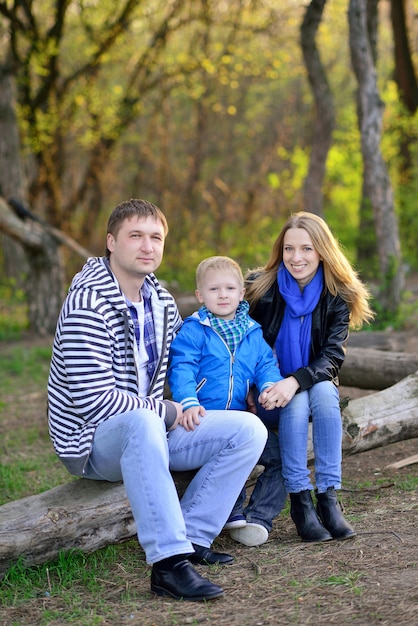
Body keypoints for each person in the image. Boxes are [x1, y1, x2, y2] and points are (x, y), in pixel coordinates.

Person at [47, 199, 267, 602]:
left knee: (248, 429)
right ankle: (167, 566)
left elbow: (189, 363)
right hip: (92, 441)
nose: (147, 246)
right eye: (136, 236)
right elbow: (94, 401)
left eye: (156, 237)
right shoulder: (87, 304)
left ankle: (192, 537)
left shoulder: (161, 302)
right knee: (142, 420)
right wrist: (167, 411)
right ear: (111, 242)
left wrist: (243, 386)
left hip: (152, 428)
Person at [229, 211, 374, 547]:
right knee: (299, 401)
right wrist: (251, 386)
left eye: (306, 249)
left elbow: (332, 357)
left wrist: (293, 381)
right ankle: (300, 500)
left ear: (322, 251)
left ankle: (327, 496)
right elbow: (237, 342)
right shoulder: (260, 290)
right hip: (267, 395)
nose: (297, 258)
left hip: (309, 392)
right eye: (289, 249)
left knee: (322, 391)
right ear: (280, 251)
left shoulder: (337, 295)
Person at [167, 256, 283, 533]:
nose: (222, 295)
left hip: (241, 417)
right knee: (226, 453)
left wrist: (269, 386)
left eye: (230, 289)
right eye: (214, 289)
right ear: (199, 295)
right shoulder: (195, 330)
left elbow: (265, 364)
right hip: (202, 419)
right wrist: (189, 402)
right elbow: (181, 367)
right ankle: (231, 513)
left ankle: (258, 518)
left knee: (280, 458)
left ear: (242, 293)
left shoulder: (251, 332)